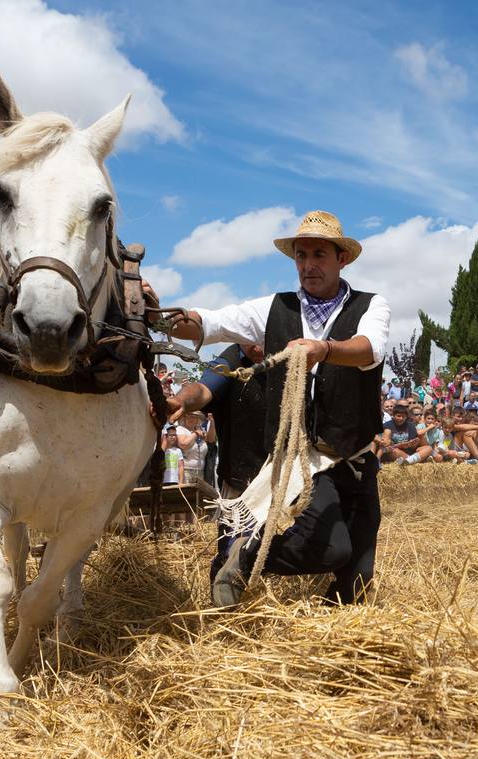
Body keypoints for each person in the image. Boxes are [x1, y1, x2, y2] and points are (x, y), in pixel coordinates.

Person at [165, 210, 390, 609]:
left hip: (354, 453)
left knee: (357, 577)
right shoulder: (275, 308)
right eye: (301, 256)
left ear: (343, 259)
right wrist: (166, 319)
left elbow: (371, 349)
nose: (308, 265)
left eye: (319, 254)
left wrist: (327, 349)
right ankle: (244, 558)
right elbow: (211, 323)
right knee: (329, 549)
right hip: (307, 458)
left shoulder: (371, 306)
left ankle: (330, 641)